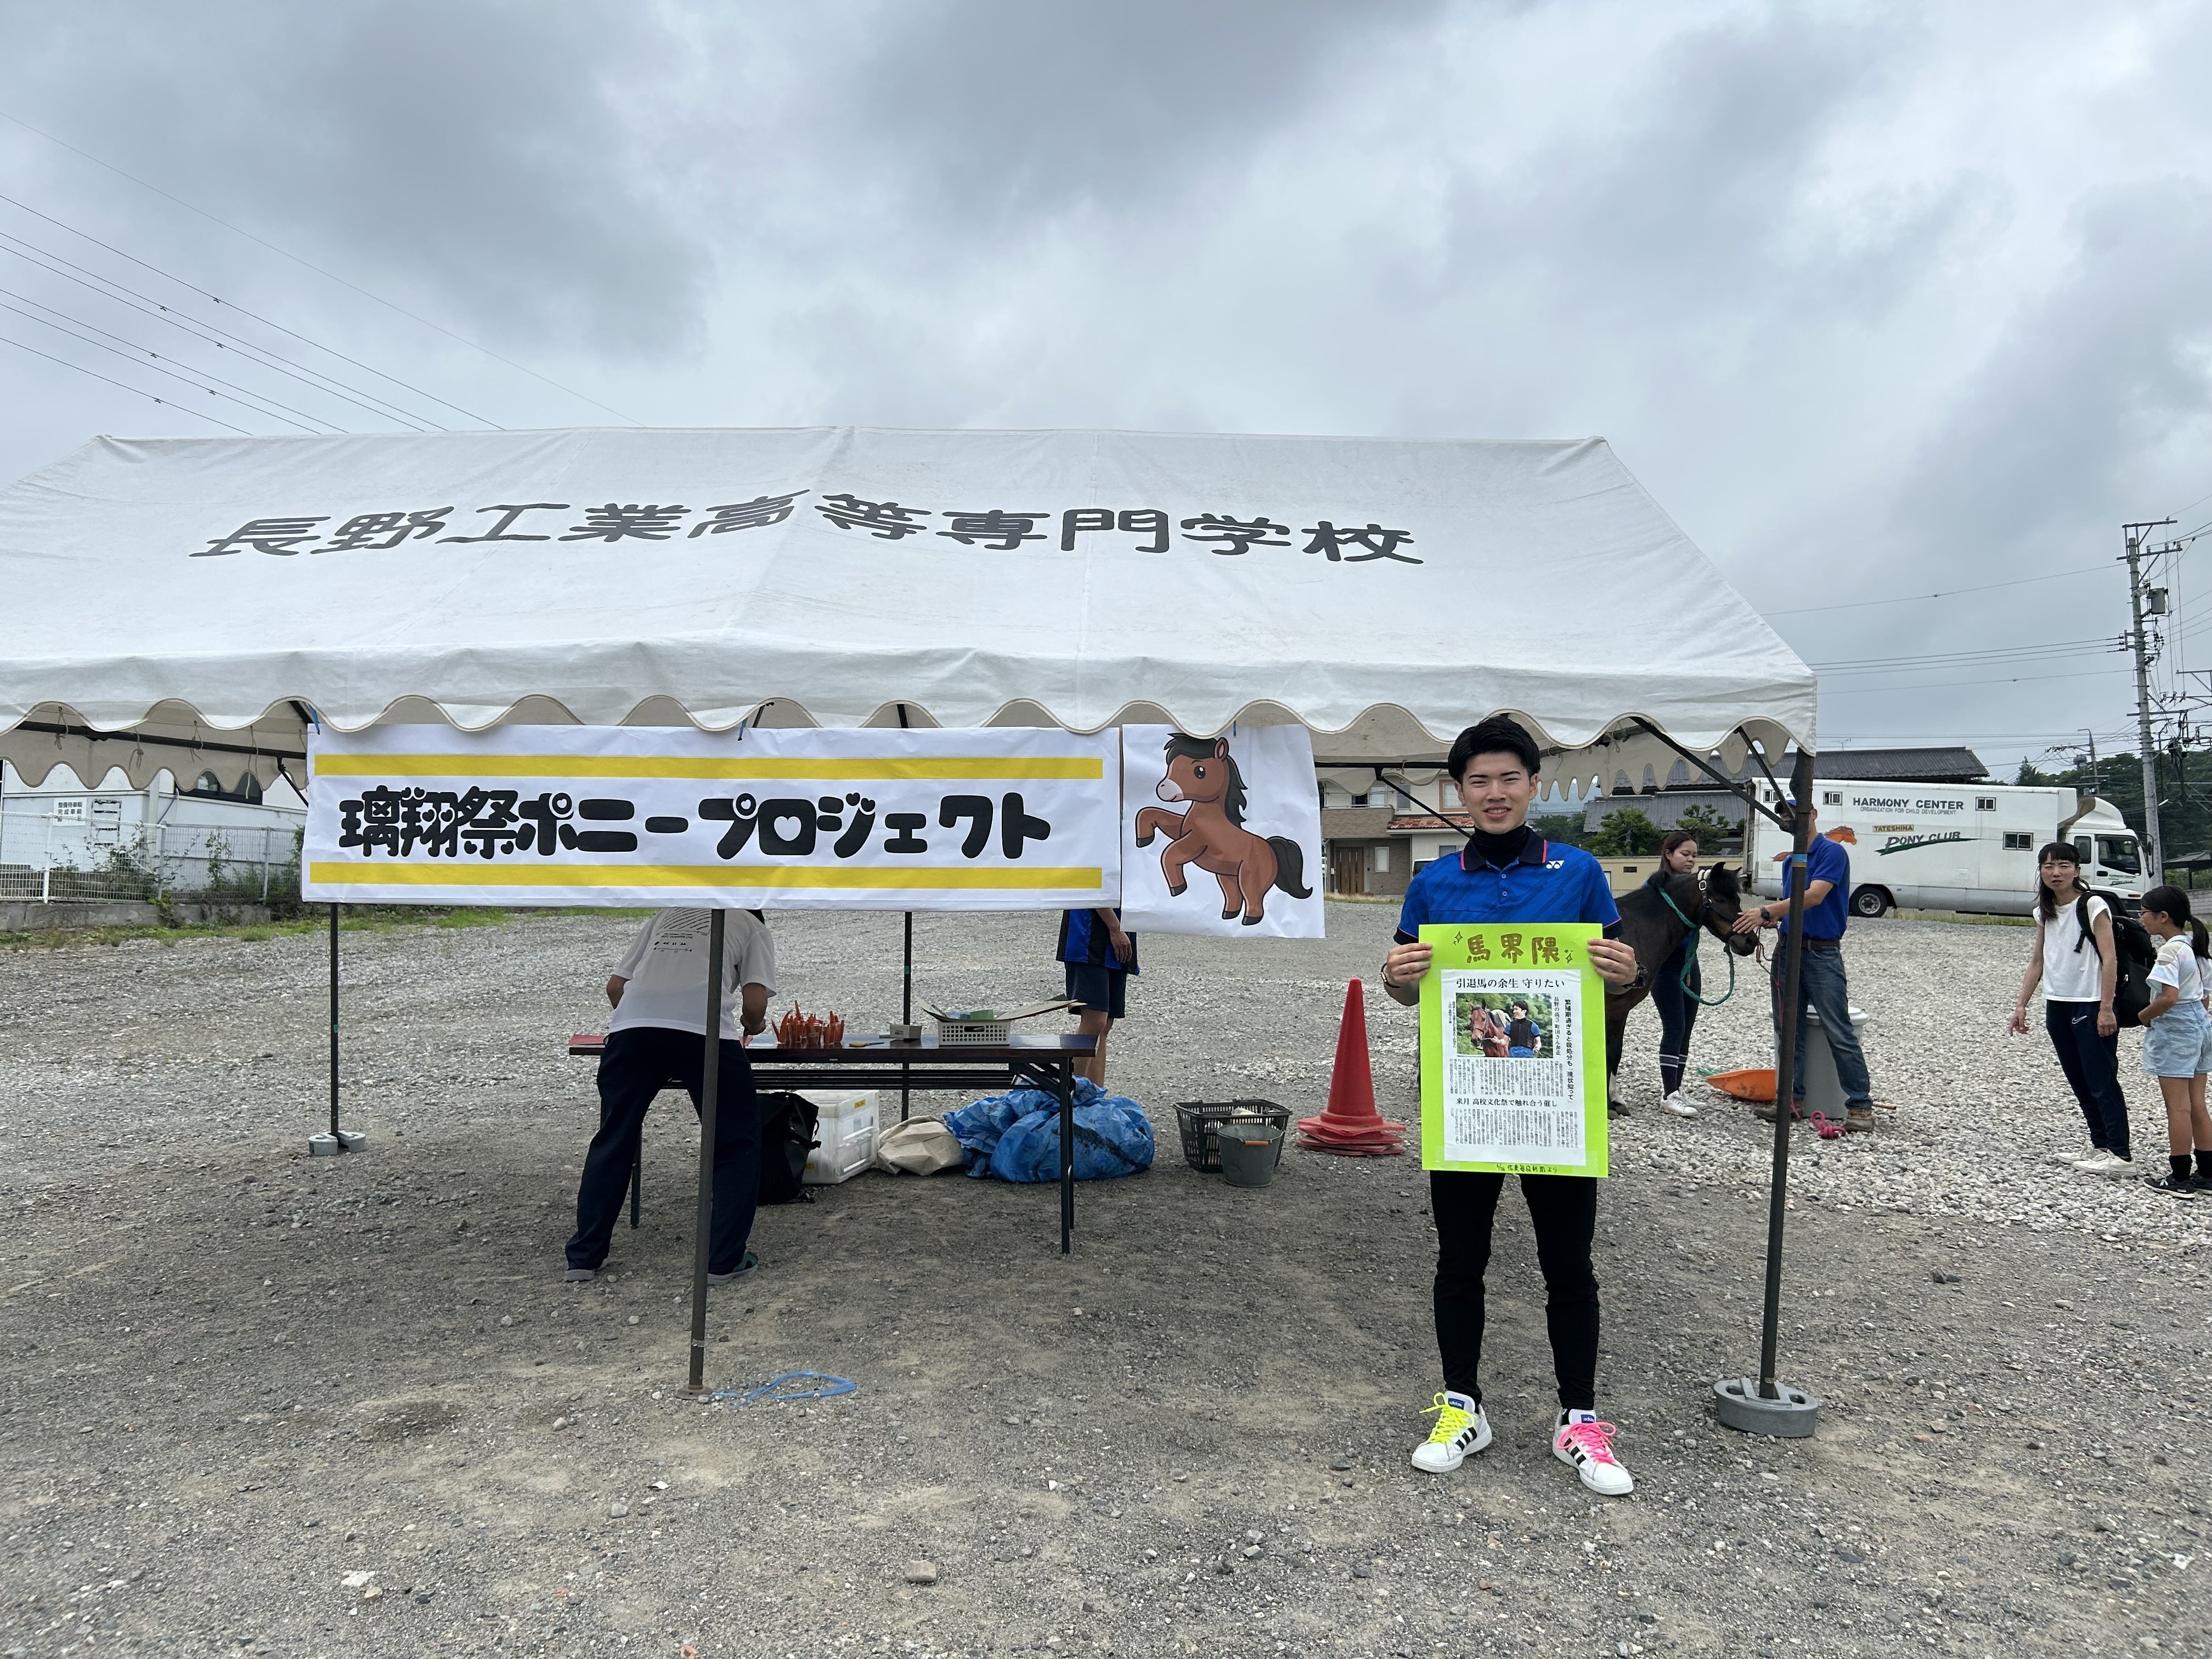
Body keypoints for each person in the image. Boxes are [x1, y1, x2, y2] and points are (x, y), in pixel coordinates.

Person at [1381, 715, 1643, 1497]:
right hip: (1467, 1100)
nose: (1494, 794)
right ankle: (1462, 1406)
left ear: (1532, 786)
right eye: (1478, 781)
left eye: (1508, 779)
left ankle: (1579, 1420)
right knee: (1460, 1260)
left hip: (1556, 1103)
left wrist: (1626, 971)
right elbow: (1406, 991)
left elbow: (1617, 980)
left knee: (1570, 1264)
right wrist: (1396, 978)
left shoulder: (1579, 871)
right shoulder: (1434, 883)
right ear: (1458, 792)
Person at [564, 907, 775, 1285]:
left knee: (614, 1136)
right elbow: (755, 1003)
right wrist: (753, 1024)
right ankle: (723, 1261)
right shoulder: (751, 925)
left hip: (633, 1029)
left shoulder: (666, 914)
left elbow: (616, 987)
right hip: (707, 1032)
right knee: (735, 1142)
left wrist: (650, 1025)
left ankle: (584, 1258)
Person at [1732, 802, 1875, 1132]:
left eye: (1794, 813)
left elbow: (1814, 897)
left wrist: (1766, 912)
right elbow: (1798, 905)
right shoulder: (1791, 861)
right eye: (1783, 815)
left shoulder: (1831, 852)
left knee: (1838, 1030)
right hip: (1788, 950)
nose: (1788, 819)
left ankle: (1860, 1106)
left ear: (1813, 815)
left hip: (1822, 953)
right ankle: (1790, 1101)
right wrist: (1779, 920)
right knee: (1787, 1029)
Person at [2006, 843, 2130, 1175]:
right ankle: (2100, 1146)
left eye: (2063, 865)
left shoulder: (2092, 905)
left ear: (2077, 869)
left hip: (2090, 1002)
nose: (2055, 873)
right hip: (2057, 1003)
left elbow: (2110, 959)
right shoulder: (2043, 911)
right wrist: (2021, 1005)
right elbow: (2037, 961)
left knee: (2101, 1079)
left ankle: (2120, 1154)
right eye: (2048, 867)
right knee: (2078, 1079)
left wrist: (2106, 1008)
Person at [2134, 885, 2212, 1195]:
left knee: (2177, 1107)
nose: (2141, 918)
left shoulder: (2169, 952)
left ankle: (2180, 1177)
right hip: (2201, 1026)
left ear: (2163, 916)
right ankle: (2207, 1173)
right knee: (2197, 1104)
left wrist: (2143, 1016)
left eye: (2144, 913)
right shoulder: (2196, 946)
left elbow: (2168, 998)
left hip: (2176, 1029)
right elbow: (2204, 997)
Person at [1645, 830, 1705, 1118]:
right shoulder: (1655, 888)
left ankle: (1677, 1089)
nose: (1691, 860)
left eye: (1694, 855)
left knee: (1687, 1029)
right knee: (1675, 1027)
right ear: (1668, 854)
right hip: (1665, 965)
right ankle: (1669, 1095)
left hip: (1689, 962)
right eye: (1685, 854)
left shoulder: (1697, 887)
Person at [1058, 906, 1136, 1087]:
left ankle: (1094, 1094)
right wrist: (1115, 929)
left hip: (1119, 929)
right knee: (1095, 1020)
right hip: (1088, 934)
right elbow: (1092, 891)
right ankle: (1071, 1095)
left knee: (1104, 1025)